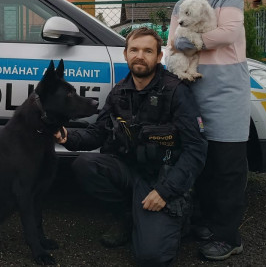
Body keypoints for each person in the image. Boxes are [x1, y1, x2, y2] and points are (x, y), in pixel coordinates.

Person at [56, 27, 207, 267]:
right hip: (128, 170)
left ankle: (180, 217)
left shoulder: (176, 91)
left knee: (152, 257)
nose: (140, 56)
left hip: (160, 180)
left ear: (159, 57)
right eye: (134, 50)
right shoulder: (119, 92)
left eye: (148, 51)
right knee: (85, 165)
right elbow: (98, 133)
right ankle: (128, 215)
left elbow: (196, 150)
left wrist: (166, 191)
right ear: (125, 55)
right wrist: (67, 136)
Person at [168, 0, 251, 261]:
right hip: (192, 91)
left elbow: (229, 33)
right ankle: (204, 224)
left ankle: (228, 236)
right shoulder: (182, 4)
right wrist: (187, 41)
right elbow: (172, 42)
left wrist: (192, 41)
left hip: (227, 93)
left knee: (227, 166)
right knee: (199, 162)